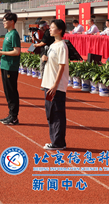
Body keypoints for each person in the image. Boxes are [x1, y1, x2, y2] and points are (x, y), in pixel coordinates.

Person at [41, 19, 70, 150]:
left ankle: (58, 143)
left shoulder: (62, 46)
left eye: (52, 27)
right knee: (50, 113)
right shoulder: (53, 44)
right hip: (48, 85)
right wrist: (45, 59)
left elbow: (61, 67)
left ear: (60, 30)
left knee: (57, 113)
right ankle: (55, 140)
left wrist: (55, 85)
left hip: (56, 87)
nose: (50, 29)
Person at [0, 12, 21, 125]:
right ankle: (10, 114)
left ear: (12, 21)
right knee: (7, 92)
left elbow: (17, 51)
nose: (3, 23)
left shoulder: (14, 34)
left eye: (5, 21)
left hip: (10, 67)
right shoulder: (8, 34)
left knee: (11, 92)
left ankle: (14, 117)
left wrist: (1, 53)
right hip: (4, 65)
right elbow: (8, 50)